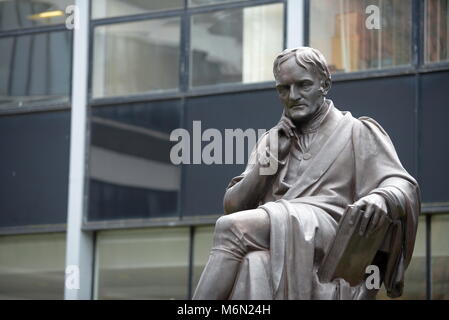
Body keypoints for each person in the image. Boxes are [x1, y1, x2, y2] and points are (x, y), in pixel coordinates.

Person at [193, 47, 420, 300]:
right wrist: (269, 158)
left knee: (231, 229)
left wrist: (381, 198)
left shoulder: (357, 131)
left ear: (324, 84)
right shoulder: (272, 140)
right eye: (284, 89)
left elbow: (402, 184)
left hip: (331, 228)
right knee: (254, 263)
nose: (293, 96)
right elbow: (234, 205)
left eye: (304, 85)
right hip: (281, 227)